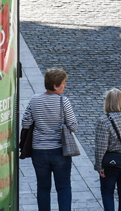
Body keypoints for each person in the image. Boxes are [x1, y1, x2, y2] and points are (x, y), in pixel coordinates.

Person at [21, 67, 80, 211]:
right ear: (55, 85)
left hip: (39, 151)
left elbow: (25, 123)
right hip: (60, 151)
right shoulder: (63, 102)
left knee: (43, 187)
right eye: (63, 83)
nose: (65, 85)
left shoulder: (34, 100)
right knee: (63, 186)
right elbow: (73, 126)